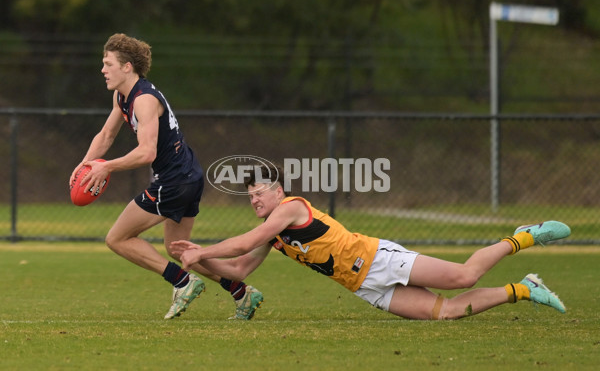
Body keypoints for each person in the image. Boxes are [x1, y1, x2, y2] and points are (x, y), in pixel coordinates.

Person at [170, 165, 571, 320]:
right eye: (251, 195)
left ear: (279, 192)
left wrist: (203, 248)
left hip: (380, 260)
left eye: (261, 192)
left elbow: (244, 242)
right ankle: (524, 288)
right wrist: (199, 261)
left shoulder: (290, 208)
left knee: (465, 274)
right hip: (365, 286)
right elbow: (239, 268)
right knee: (446, 313)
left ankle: (524, 236)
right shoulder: (274, 233)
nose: (255, 199)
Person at [69, 33, 263, 320]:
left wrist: (106, 166)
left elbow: (146, 152)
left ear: (127, 67)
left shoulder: (144, 100)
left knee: (117, 238)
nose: (102, 69)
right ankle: (241, 292)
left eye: (108, 63)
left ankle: (182, 282)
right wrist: (86, 163)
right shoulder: (122, 96)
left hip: (174, 181)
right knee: (177, 248)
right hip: (187, 175)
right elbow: (107, 134)